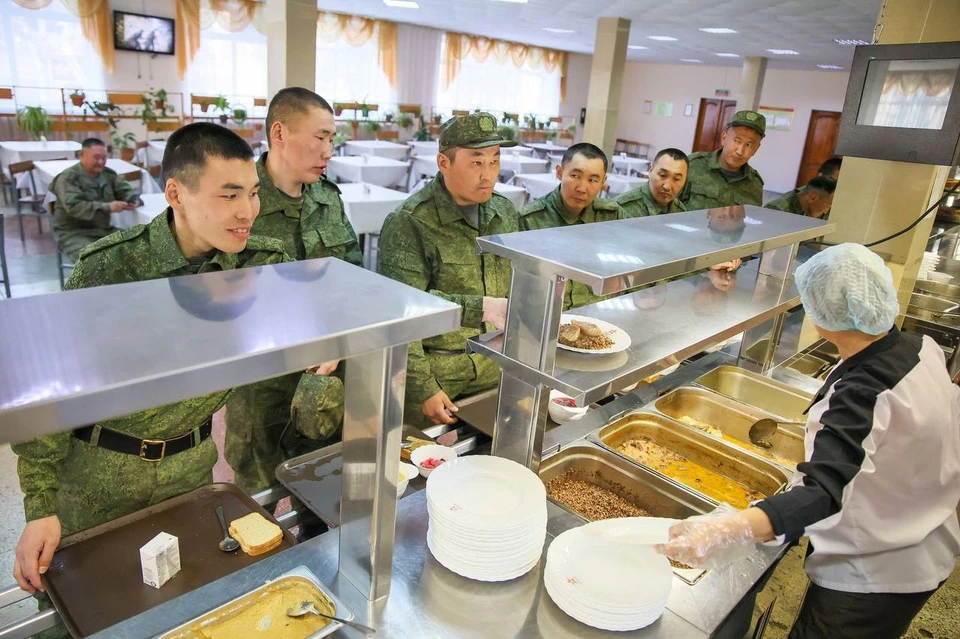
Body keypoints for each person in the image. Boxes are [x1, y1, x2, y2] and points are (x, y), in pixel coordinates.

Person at [11, 124, 287, 610]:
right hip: (100, 477)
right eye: (228, 195)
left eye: (252, 193)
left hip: (191, 469)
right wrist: (40, 506)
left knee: (188, 602)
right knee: (89, 610)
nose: (247, 211)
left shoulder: (260, 267)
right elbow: (52, 387)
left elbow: (307, 323)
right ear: (176, 193)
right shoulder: (109, 270)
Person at [657, 243, 960, 639]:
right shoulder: (917, 347)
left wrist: (728, 529)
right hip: (925, 534)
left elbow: (823, 494)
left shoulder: (865, 391)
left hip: (873, 571)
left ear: (823, 315)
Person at [224, 87, 362, 496]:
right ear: (279, 134)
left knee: (323, 488)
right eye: (320, 137)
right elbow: (219, 297)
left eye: (332, 139)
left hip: (327, 378)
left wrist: (337, 339)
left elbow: (352, 278)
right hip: (262, 388)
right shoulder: (239, 202)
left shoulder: (327, 199)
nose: (328, 151)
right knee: (256, 502)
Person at [378, 112, 517, 427]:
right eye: (476, 163)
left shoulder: (503, 212)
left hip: (494, 369)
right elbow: (401, 315)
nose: (488, 175)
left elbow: (513, 287)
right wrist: (423, 387)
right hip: (439, 379)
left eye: (494, 161)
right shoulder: (410, 222)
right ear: (443, 162)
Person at [519, 143, 626, 309]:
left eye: (593, 180)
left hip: (597, 312)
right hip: (545, 313)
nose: (582, 188)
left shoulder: (612, 216)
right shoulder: (530, 219)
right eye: (575, 176)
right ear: (560, 172)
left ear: (603, 182)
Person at [50, 138, 141, 262]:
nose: (101, 162)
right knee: (94, 261)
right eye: (96, 158)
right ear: (82, 155)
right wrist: (108, 207)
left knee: (141, 246)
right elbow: (75, 206)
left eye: (104, 158)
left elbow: (124, 189)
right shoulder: (68, 178)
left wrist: (131, 199)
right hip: (73, 233)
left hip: (102, 229)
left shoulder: (108, 175)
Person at [681, 110, 766, 210]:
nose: (740, 151)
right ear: (724, 138)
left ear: (756, 149)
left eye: (749, 145)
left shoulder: (754, 184)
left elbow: (750, 220)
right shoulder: (693, 165)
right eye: (737, 141)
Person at [616, 148, 688, 218]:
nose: (667, 186)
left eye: (676, 179)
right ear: (650, 170)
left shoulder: (680, 212)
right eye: (663, 175)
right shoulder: (622, 209)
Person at [764, 176, 836, 219]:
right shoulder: (777, 211)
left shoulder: (809, 210)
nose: (826, 211)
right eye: (828, 205)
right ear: (813, 198)